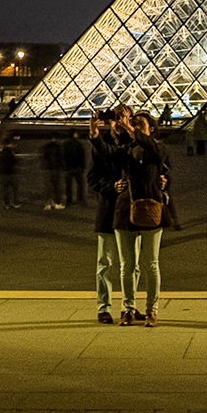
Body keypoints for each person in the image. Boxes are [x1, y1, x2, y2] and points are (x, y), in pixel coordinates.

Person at [114, 112, 170, 326]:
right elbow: (105, 155)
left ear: (152, 129)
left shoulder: (158, 148)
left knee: (151, 264)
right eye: (133, 123)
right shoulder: (126, 148)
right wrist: (103, 132)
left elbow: (163, 162)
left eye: (140, 124)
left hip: (150, 209)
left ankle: (151, 310)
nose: (134, 126)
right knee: (127, 265)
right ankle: (127, 308)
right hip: (125, 211)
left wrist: (131, 131)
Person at [89, 113, 127, 324]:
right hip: (108, 211)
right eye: (114, 119)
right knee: (105, 262)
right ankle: (103, 307)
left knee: (130, 265)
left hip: (130, 212)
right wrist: (110, 186)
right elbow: (92, 178)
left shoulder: (136, 144)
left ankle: (128, 306)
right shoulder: (100, 146)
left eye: (123, 119)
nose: (117, 123)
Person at [61, 129, 88, 207]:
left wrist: (64, 166)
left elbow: (63, 156)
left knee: (68, 185)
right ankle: (80, 200)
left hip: (68, 167)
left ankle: (69, 200)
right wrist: (83, 166)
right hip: (77, 167)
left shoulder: (65, 144)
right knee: (80, 185)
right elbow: (81, 156)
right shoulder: (78, 144)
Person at [41, 137, 67, 210]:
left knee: (49, 187)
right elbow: (61, 158)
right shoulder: (58, 147)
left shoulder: (47, 147)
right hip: (56, 168)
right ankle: (56, 203)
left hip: (50, 168)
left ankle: (49, 203)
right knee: (57, 187)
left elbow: (45, 157)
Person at [0, 134, 20, 207]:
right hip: (11, 172)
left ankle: (7, 203)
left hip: (4, 172)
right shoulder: (10, 153)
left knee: (5, 189)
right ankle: (14, 202)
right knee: (14, 189)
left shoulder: (1, 153)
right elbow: (14, 161)